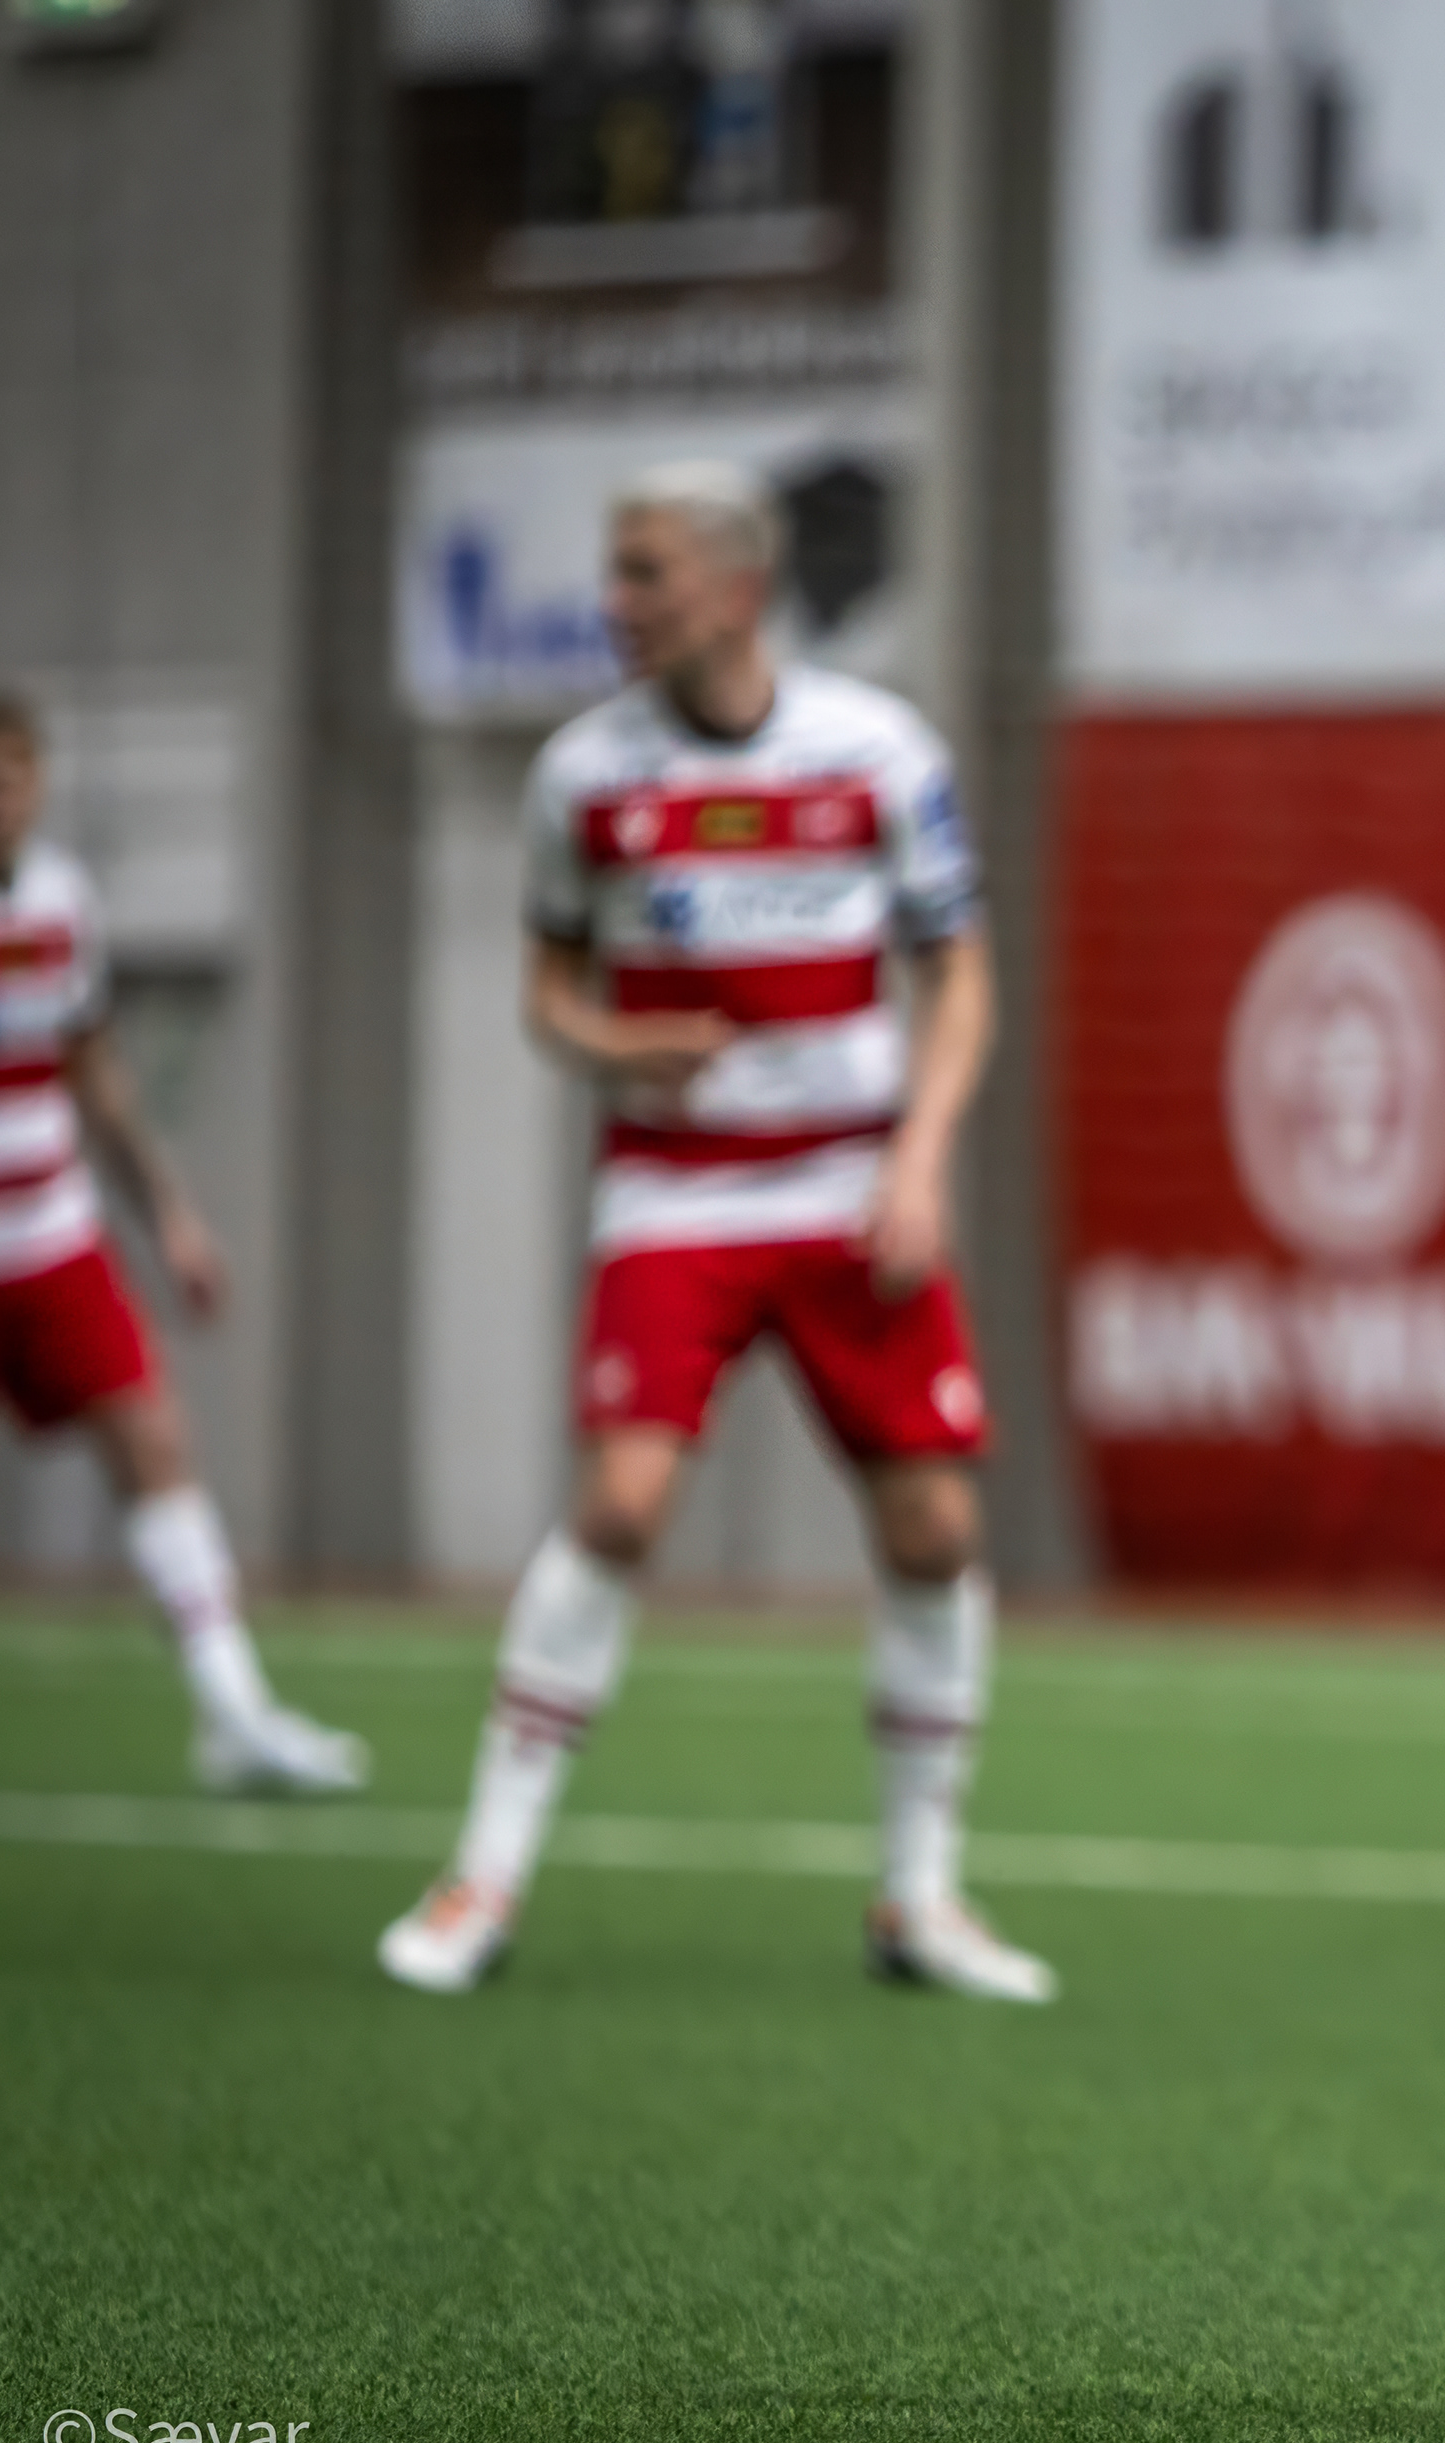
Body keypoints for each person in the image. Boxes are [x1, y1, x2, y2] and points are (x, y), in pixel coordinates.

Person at [377, 462, 1050, 2003]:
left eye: (647, 573)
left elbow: (959, 974)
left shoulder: (878, 750)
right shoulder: (582, 778)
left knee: (936, 1534)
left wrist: (922, 1162)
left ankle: (920, 1900)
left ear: (738, 590)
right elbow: (548, 994)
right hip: (675, 1194)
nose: (616, 602)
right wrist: (614, 1045)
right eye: (616, 572)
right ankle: (481, 1879)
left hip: (852, 1189)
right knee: (620, 1507)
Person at [0, 693, 368, 1794]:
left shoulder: (62, 897)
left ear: (37, 785)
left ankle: (234, 1713)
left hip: (52, 1236)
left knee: (153, 1442)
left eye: (10, 779)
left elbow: (93, 1069)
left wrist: (171, 1213)